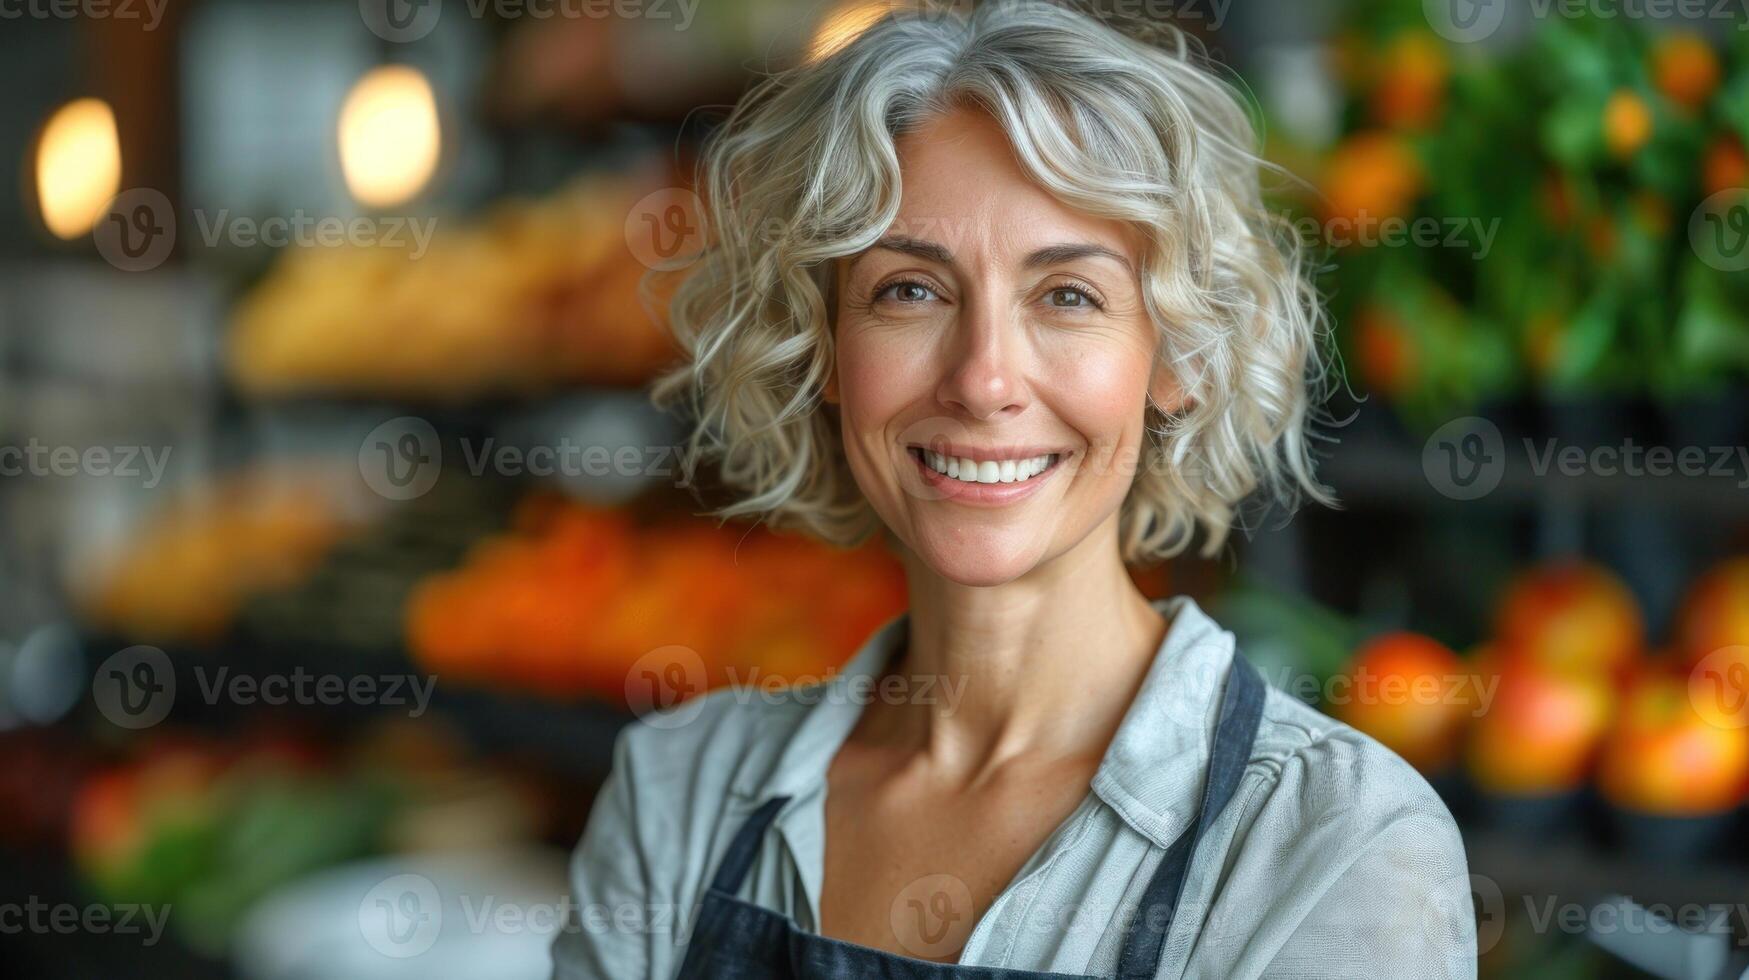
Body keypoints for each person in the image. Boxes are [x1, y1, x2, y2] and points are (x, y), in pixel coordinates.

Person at [551, 2, 1476, 977]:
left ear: (1178, 358)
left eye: (1068, 295)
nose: (984, 379)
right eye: (910, 289)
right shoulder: (676, 795)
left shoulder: (1331, 846)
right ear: (820, 344)